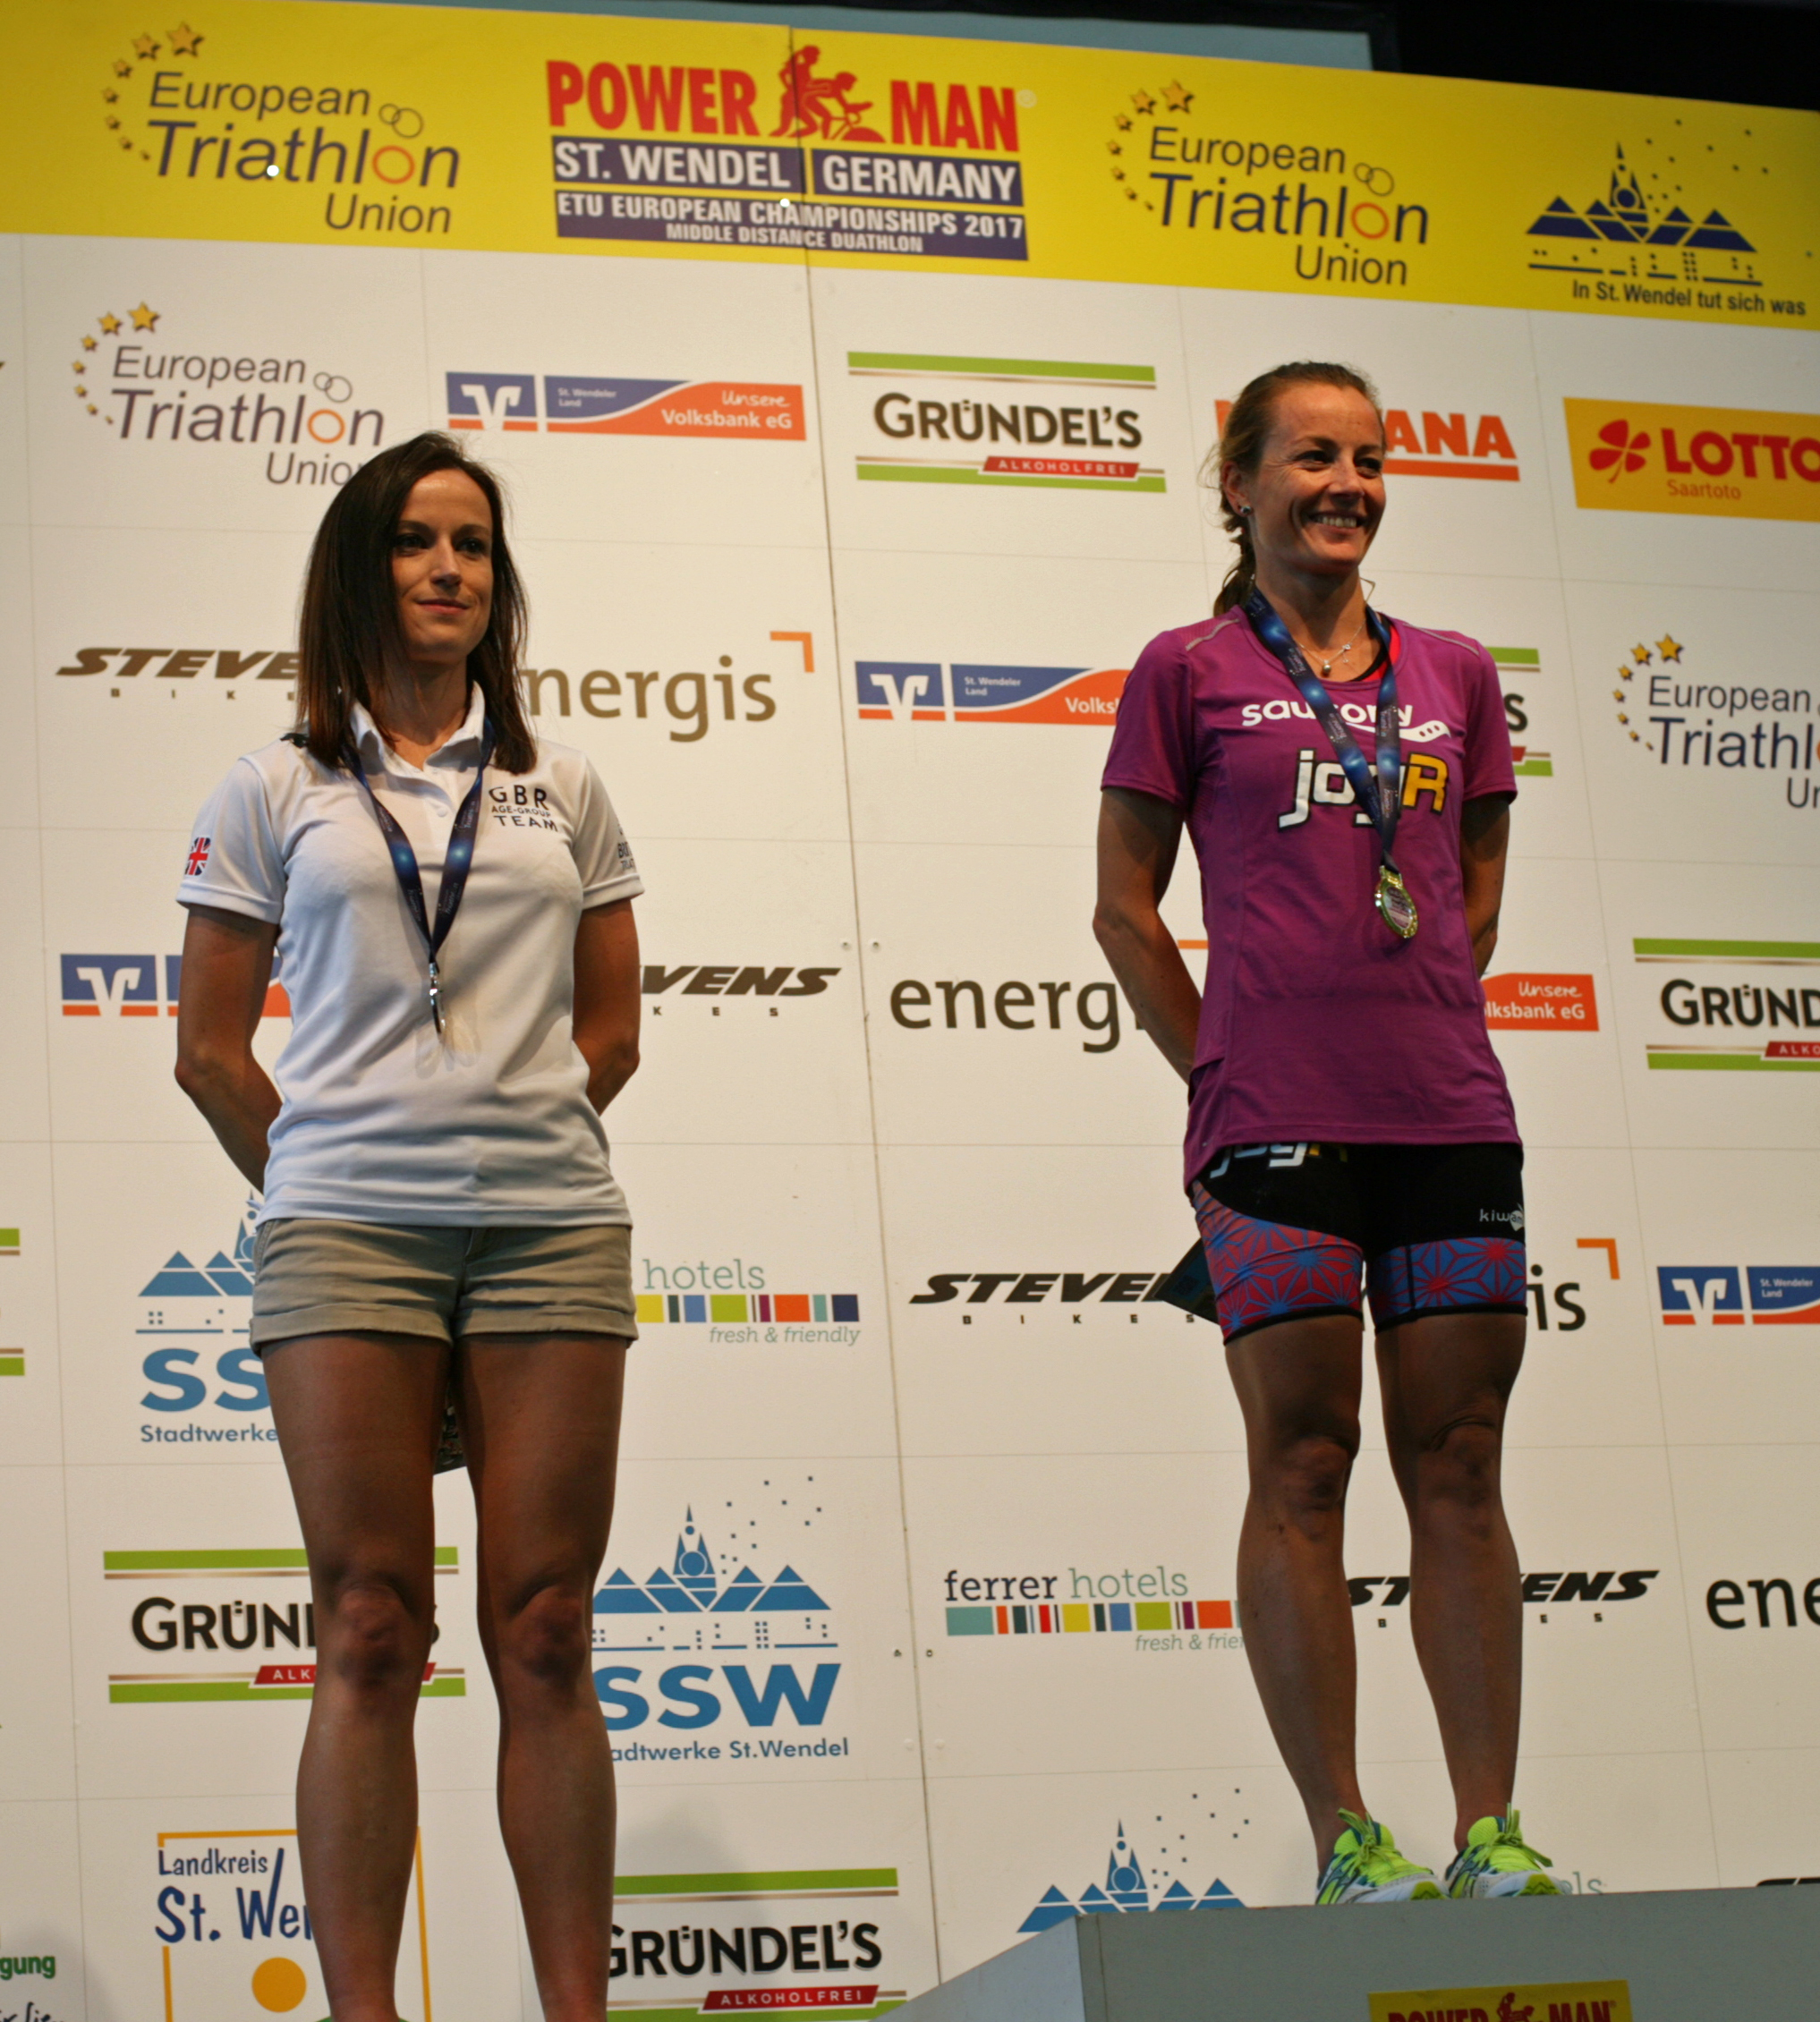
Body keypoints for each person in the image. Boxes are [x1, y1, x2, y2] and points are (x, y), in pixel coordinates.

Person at [174, 433, 643, 2021]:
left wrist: (500, 1142)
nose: (450, 570)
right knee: (371, 1623)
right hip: (344, 1235)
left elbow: (614, 1030)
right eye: (415, 543)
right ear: (358, 567)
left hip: (546, 1234)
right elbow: (208, 1050)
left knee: (550, 1624)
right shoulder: (275, 782)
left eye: (475, 548)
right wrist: (333, 1179)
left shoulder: (559, 783)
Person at [1093, 361, 1565, 1906]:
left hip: (1443, 1115)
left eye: (1367, 459)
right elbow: (1123, 910)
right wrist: (1222, 1060)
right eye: (1310, 458)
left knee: (1465, 1459)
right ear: (1236, 486)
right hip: (1270, 1125)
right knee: (1303, 1462)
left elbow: (1469, 891)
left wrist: (1404, 1005)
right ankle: (1345, 1841)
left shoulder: (1456, 672)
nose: (1345, 483)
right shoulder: (1183, 668)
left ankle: (1489, 1835)